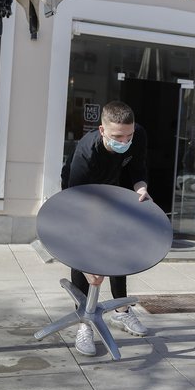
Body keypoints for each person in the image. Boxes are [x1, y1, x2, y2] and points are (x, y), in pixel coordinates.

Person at [61, 101, 151, 357]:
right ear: (102, 130)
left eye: (128, 135)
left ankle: (121, 313)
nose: (125, 140)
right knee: (84, 259)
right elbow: (76, 212)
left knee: (115, 247)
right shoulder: (85, 153)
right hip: (79, 195)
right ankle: (84, 322)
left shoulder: (138, 135)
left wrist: (141, 188)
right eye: (117, 136)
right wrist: (88, 263)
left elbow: (138, 169)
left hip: (111, 190)